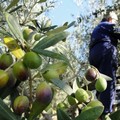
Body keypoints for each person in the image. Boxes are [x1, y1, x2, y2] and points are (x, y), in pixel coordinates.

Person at [88, 11, 120, 116]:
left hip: (93, 55)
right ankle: (106, 112)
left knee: (100, 82)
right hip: (105, 51)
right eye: (115, 21)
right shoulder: (108, 25)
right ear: (111, 19)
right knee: (109, 80)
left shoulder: (98, 28)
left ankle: (98, 108)